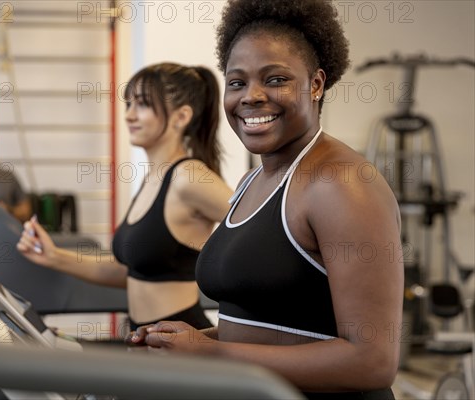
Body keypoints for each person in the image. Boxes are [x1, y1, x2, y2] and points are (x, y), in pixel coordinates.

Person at [127, 1, 404, 399]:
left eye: (275, 79)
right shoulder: (251, 182)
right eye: (237, 83)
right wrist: (182, 340)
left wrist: (212, 353)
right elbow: (270, 325)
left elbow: (373, 362)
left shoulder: (341, 183)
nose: (252, 97)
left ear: (316, 84)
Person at [17, 63, 233, 332]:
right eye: (128, 104)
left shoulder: (188, 177)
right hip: (145, 339)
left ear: (181, 117)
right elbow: (128, 272)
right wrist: (53, 255)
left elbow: (260, 232)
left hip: (182, 342)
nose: (129, 115)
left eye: (142, 104)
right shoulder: (153, 178)